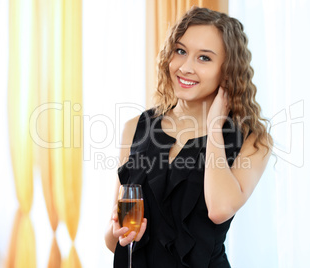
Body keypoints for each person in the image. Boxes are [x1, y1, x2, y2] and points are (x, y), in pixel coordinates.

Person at [105, 6, 272, 268]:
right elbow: (112, 239)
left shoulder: (253, 141)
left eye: (204, 58)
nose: (185, 67)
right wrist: (119, 233)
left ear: (227, 70)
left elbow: (219, 210)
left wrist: (215, 125)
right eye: (180, 51)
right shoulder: (135, 127)